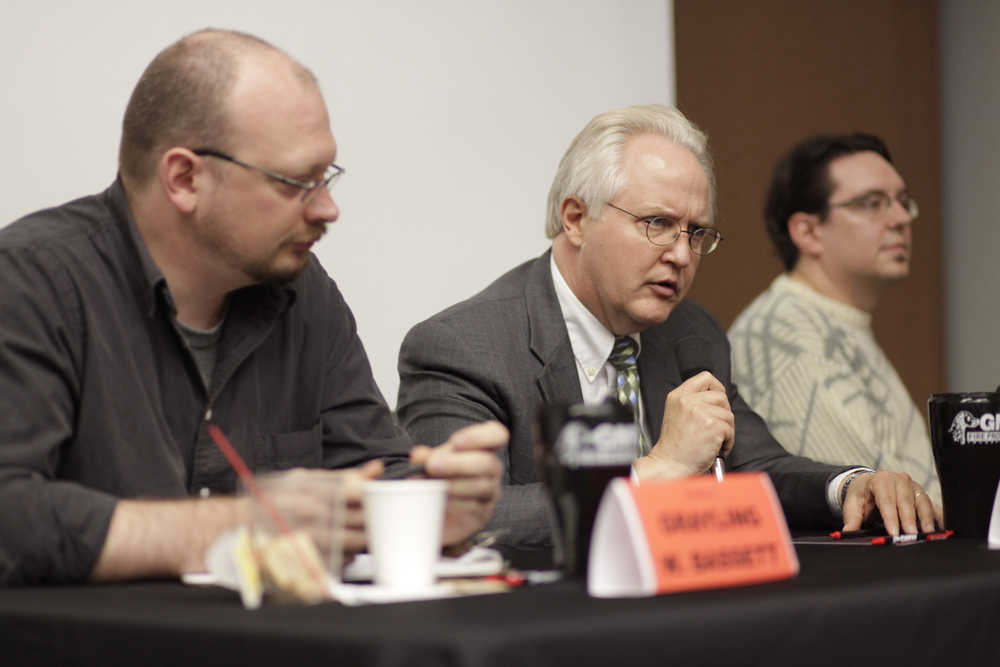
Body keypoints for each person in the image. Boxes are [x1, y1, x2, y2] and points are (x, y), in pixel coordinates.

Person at [0, 29, 505, 586]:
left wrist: (434, 508)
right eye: (297, 182)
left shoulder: (304, 295)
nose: (328, 209)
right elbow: (11, 514)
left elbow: (370, 471)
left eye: (327, 177)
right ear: (185, 178)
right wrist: (243, 524)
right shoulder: (31, 281)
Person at [397, 105, 936, 550]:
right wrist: (658, 470)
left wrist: (850, 487)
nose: (681, 254)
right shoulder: (464, 347)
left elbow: (756, 466)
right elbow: (455, 521)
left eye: (697, 232)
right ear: (576, 218)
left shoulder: (689, 332)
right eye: (657, 224)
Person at [728, 133, 941, 506]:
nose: (902, 218)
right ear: (808, 232)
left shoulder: (834, 320)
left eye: (903, 202)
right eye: (873, 203)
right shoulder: (785, 332)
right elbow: (882, 502)